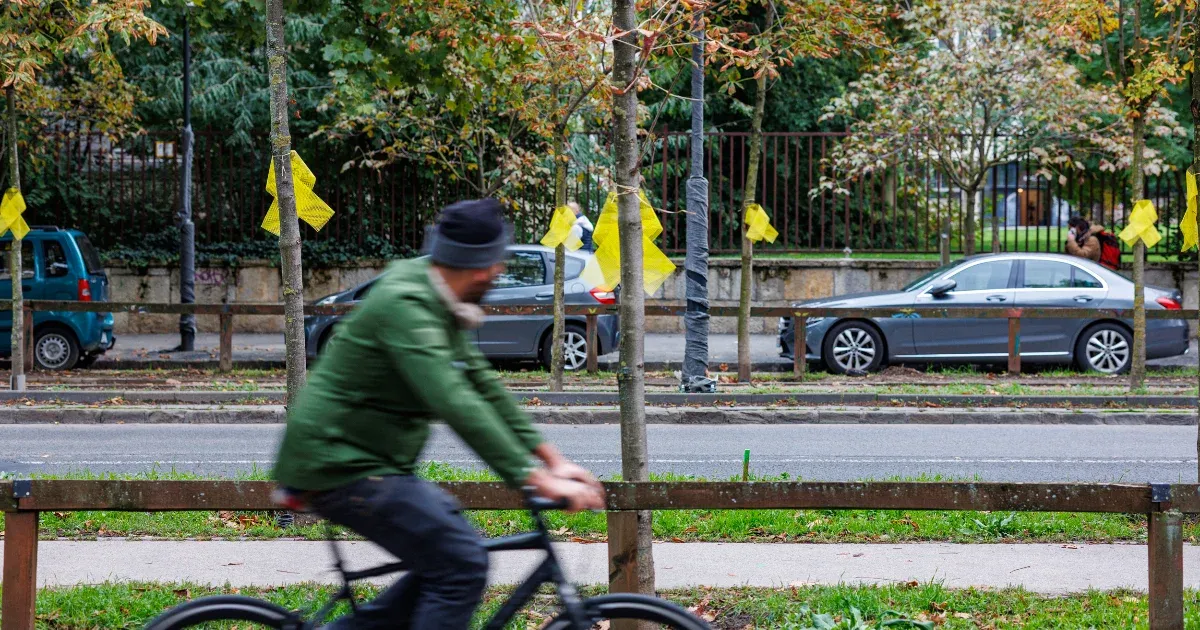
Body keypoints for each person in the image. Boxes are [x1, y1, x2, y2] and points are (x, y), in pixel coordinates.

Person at [273, 198, 605, 630]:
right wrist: (531, 477)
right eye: (498, 263)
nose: (501, 272)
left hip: (372, 463)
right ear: (480, 266)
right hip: (338, 464)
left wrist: (553, 460)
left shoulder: (436, 294)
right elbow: (455, 400)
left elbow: (481, 385)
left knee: (446, 558)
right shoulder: (408, 305)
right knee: (461, 564)